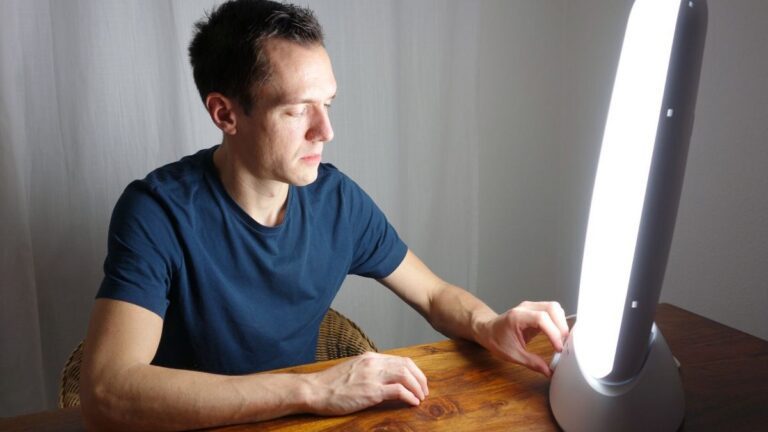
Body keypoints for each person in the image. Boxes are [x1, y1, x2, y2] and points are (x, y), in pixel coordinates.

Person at [79, 0, 569, 430]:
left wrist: (488, 324)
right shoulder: (157, 212)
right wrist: (312, 390)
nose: (326, 130)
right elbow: (108, 393)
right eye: (297, 111)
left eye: (328, 104)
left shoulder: (337, 200)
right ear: (225, 114)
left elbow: (436, 294)